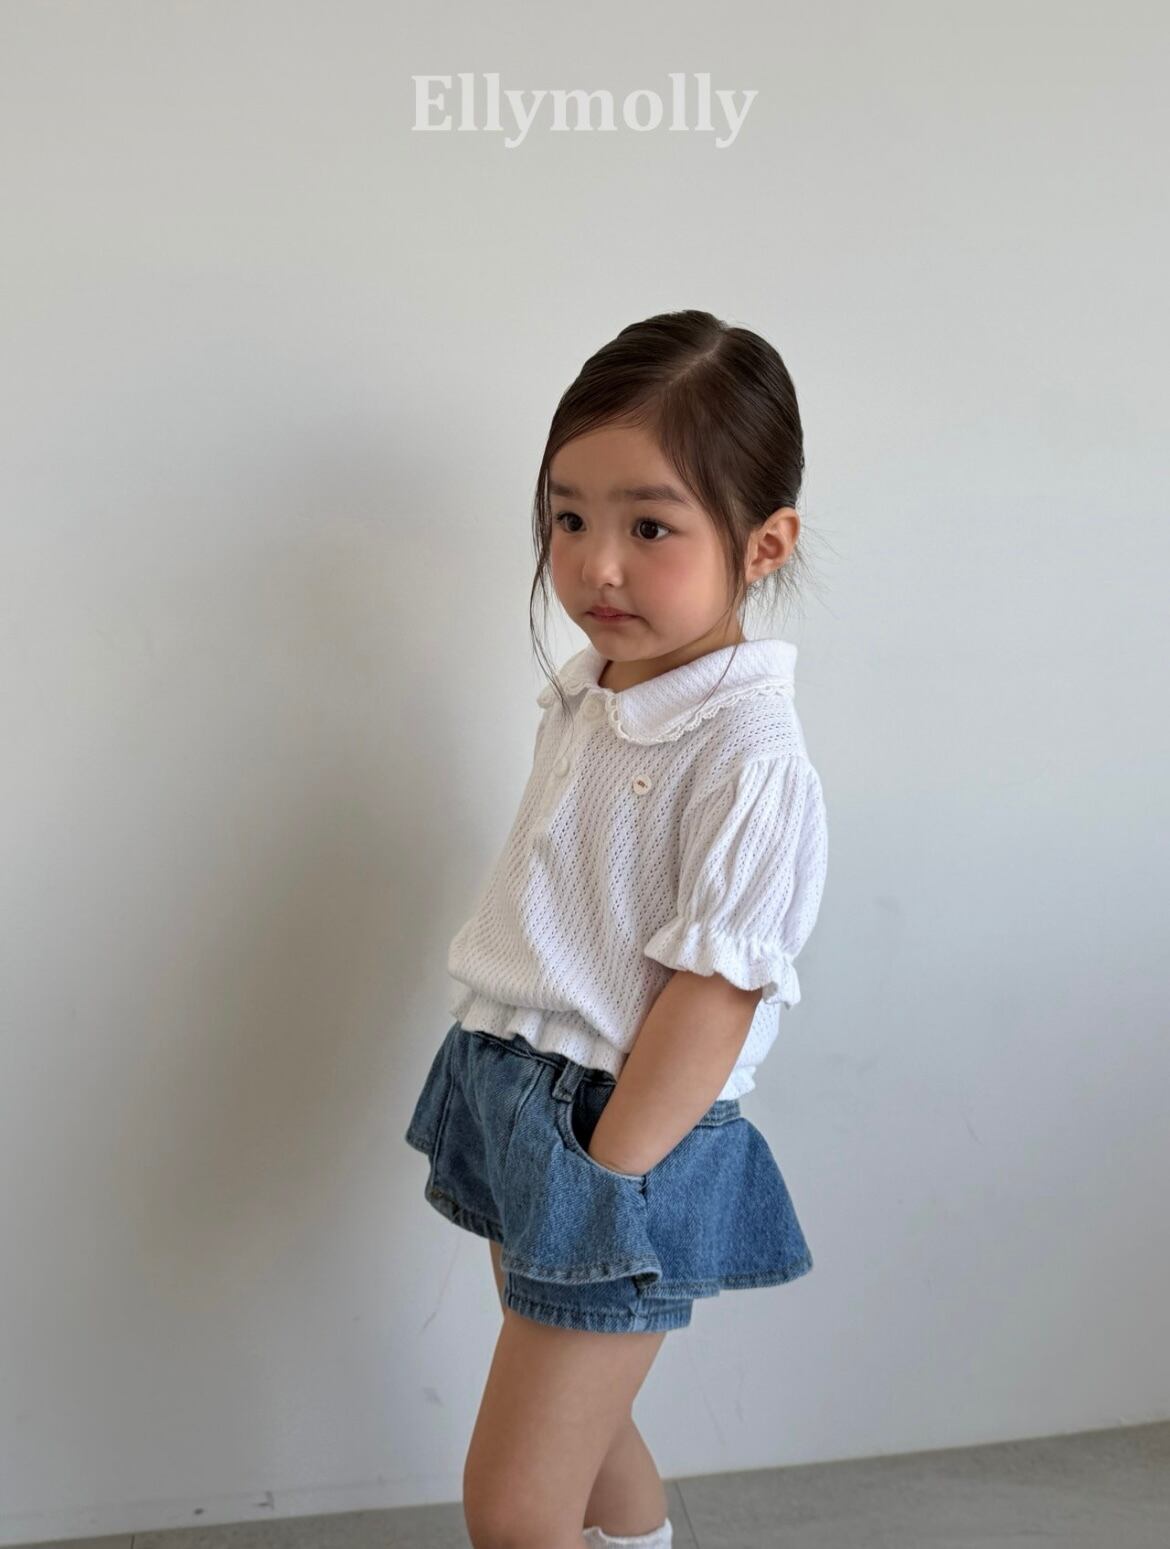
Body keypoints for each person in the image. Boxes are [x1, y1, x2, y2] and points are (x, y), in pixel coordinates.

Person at [404, 308, 830, 1549]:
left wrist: (610, 1172)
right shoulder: (598, 691)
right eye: (568, 518)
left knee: (514, 1503)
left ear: (764, 543)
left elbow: (716, 991)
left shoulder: (747, 752)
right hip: (517, 1083)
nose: (597, 565)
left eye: (650, 527)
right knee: (584, 1445)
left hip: (615, 1122)